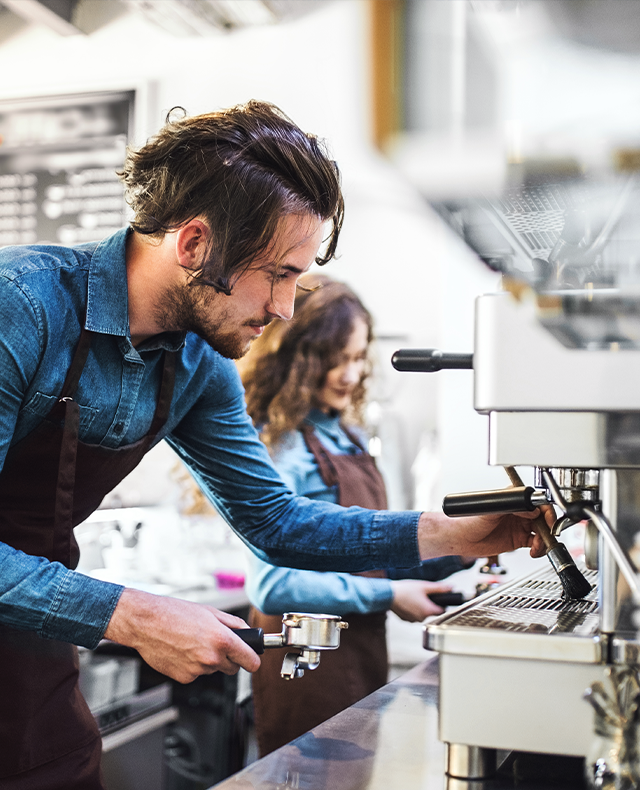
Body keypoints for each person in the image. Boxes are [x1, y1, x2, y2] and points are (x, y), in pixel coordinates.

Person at [0, 100, 546, 788]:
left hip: (32, 659)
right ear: (194, 244)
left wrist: (457, 535)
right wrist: (131, 614)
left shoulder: (197, 365)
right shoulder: (20, 306)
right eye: (280, 274)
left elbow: (276, 523)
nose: (287, 308)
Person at [240, 274, 476, 756]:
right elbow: (270, 585)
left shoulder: (343, 434)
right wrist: (389, 593)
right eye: (335, 360)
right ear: (301, 360)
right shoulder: (283, 446)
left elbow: (364, 554)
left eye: (356, 357)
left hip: (356, 651)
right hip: (304, 659)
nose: (350, 374)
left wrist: (463, 548)